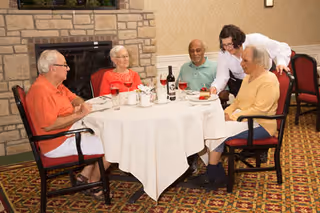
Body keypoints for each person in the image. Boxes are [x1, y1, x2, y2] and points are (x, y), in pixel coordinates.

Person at [26, 50, 110, 201]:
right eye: (65, 65)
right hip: (57, 143)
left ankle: (84, 176)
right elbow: (49, 126)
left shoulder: (54, 85)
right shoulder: (42, 91)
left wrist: (81, 105)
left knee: (103, 132)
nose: (68, 68)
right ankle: (94, 183)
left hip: (67, 133)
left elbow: (74, 97)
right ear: (53, 68)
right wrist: (79, 115)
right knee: (114, 144)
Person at [193, 45, 280, 190]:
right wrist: (226, 113)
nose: (241, 64)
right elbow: (238, 101)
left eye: (245, 60)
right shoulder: (248, 77)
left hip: (261, 124)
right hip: (245, 119)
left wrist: (233, 117)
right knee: (211, 126)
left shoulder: (269, 81)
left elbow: (260, 109)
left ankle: (213, 174)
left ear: (258, 62)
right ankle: (215, 172)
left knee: (217, 131)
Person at [210, 24, 291, 97]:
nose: (227, 48)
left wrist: (281, 62)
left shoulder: (256, 40)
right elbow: (222, 76)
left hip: (264, 79)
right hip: (242, 84)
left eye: (229, 44)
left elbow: (281, 48)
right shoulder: (223, 53)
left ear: (238, 41)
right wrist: (215, 87)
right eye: (224, 45)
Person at [176, 39, 229, 104]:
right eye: (192, 51)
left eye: (198, 50)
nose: (195, 53)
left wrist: (212, 95)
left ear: (204, 51)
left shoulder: (215, 67)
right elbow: (177, 88)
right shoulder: (184, 67)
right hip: (188, 104)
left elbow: (225, 93)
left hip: (208, 104)